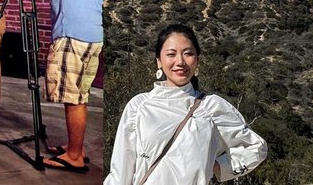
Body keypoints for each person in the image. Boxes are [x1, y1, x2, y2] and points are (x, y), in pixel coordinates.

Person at [0, 0, 103, 173]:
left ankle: (73, 157)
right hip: (94, 37)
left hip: (71, 37)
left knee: (72, 99)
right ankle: (76, 149)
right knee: (80, 96)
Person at [104, 24, 268, 184]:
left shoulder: (211, 107)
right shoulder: (139, 107)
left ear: (197, 60)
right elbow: (120, 172)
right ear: (159, 61)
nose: (180, 61)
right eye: (171, 54)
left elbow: (256, 148)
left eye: (188, 53)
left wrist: (215, 166)